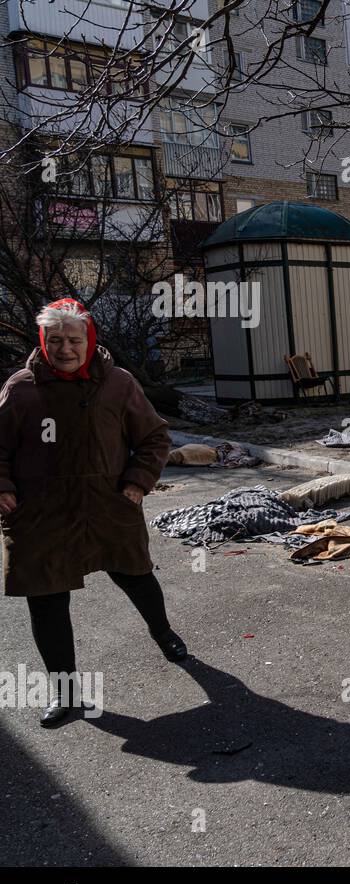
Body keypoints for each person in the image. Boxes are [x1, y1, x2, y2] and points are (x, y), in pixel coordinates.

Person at [0, 298, 185, 728]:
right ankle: (66, 696)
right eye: (56, 340)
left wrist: (137, 483)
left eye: (74, 340)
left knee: (136, 576)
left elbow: (155, 438)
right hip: (40, 514)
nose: (65, 348)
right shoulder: (22, 388)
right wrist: (3, 487)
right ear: (43, 342)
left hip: (108, 504)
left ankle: (163, 632)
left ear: (89, 341)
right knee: (46, 601)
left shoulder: (117, 383)